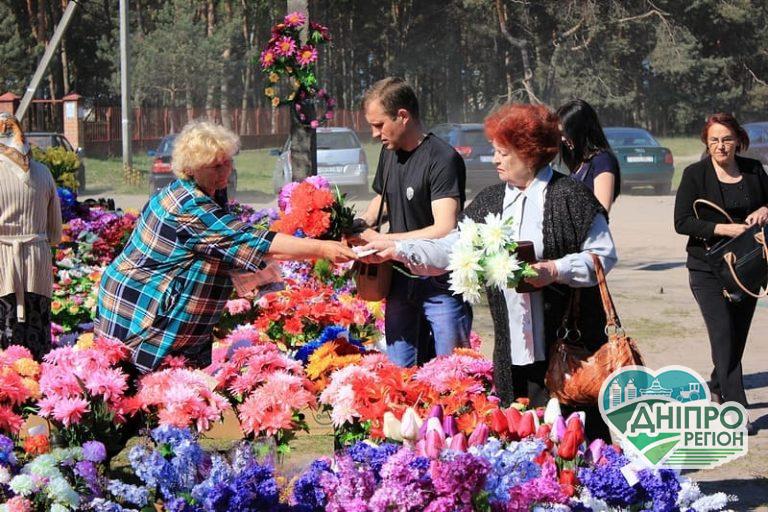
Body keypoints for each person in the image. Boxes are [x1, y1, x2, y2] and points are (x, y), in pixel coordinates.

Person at [360, 103, 617, 441]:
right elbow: (454, 247)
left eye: (502, 153)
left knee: (574, 439)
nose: (494, 160)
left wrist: (553, 270)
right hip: (512, 351)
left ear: (529, 153)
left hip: (568, 349)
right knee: (519, 435)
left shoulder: (571, 196)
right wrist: (398, 250)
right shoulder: (490, 200)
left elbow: (603, 255)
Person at [96, 120, 356, 373]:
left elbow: (226, 248)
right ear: (191, 168)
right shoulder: (188, 205)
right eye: (215, 166)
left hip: (167, 310)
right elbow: (247, 240)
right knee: (134, 394)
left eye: (227, 162)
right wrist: (322, 249)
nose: (224, 171)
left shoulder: (210, 191)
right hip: (140, 310)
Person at [354, 77, 472, 367]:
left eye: (379, 125)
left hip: (439, 283)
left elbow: (444, 227)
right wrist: (362, 223)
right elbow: (386, 199)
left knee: (452, 373)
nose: (373, 134)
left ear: (403, 116)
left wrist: (387, 241)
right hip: (397, 281)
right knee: (399, 373)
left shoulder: (442, 158)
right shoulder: (389, 152)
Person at [674, 113, 768, 436]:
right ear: (706, 142)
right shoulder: (694, 175)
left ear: (738, 140)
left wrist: (766, 209)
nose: (720, 146)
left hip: (747, 268)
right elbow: (682, 222)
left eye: (726, 139)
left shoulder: (754, 171)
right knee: (723, 334)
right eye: (713, 140)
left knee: (736, 338)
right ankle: (736, 410)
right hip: (707, 268)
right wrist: (725, 228)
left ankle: (715, 385)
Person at [0, 113, 62, 361]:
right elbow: (55, 233)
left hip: (3, 264)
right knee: (37, 343)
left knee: (5, 347)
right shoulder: (44, 173)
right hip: (37, 264)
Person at [557, 99, 621, 212]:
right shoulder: (580, 162)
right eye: (560, 134)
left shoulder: (602, 160)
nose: (562, 139)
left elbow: (602, 210)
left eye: (565, 133)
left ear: (580, 130)